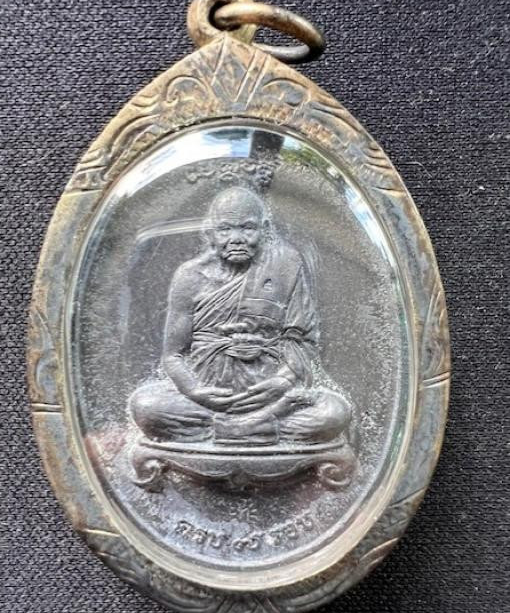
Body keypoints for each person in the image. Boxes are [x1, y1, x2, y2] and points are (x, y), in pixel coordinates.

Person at [129, 186, 352, 446]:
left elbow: (301, 340)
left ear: (264, 229)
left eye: (247, 228)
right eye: (225, 229)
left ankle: (228, 431)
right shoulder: (190, 276)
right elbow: (173, 355)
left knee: (334, 412)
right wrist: (195, 390)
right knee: (146, 406)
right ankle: (255, 429)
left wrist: (282, 381)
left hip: (270, 397)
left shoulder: (286, 265)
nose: (236, 239)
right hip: (208, 400)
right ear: (210, 233)